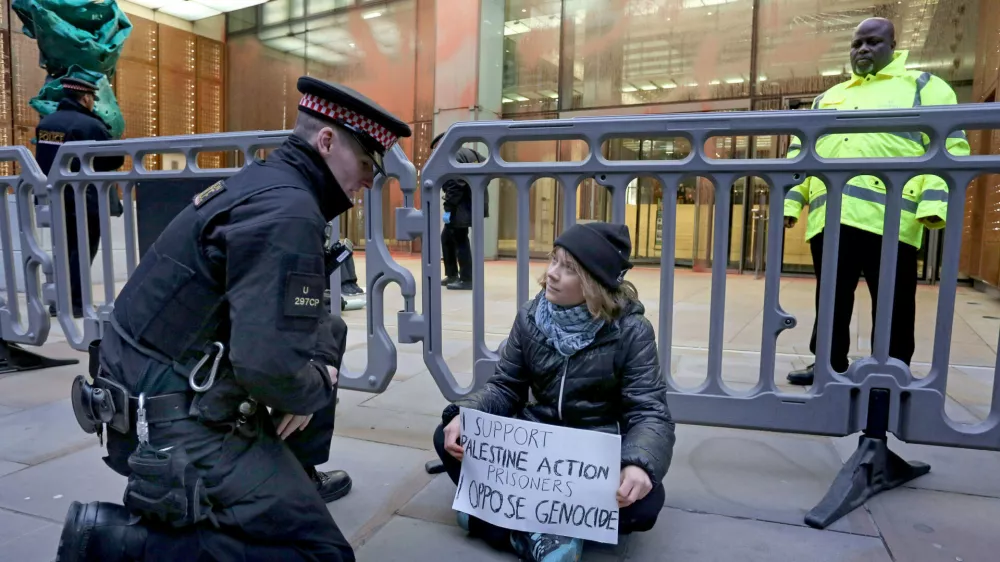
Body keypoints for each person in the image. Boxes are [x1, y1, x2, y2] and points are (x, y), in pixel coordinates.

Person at [59, 77, 411, 562]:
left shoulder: (265, 184)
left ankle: (284, 479)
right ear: (326, 142)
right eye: (368, 164)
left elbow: (289, 333)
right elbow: (268, 368)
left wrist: (305, 378)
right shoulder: (290, 212)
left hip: (147, 388)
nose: (371, 180)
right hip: (173, 422)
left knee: (326, 332)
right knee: (321, 554)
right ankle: (120, 543)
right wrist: (314, 385)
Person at [432, 222, 675, 562]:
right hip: (534, 450)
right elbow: (505, 387)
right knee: (450, 433)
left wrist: (638, 466)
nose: (552, 274)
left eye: (569, 268)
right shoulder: (531, 317)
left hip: (592, 456)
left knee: (646, 504)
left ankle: (499, 522)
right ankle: (544, 532)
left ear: (595, 283)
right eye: (553, 260)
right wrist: (465, 413)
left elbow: (649, 412)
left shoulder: (632, 332)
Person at [783, 17, 970, 386]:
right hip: (832, 217)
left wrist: (932, 205)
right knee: (831, 299)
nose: (863, 49)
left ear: (893, 46)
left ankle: (892, 367)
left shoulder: (924, 86)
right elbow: (800, 153)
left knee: (895, 302)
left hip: (892, 219)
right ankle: (827, 364)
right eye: (857, 44)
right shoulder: (828, 97)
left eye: (872, 42)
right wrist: (792, 203)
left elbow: (950, 146)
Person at [34, 76, 125, 318]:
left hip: (55, 197)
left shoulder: (47, 124)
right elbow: (114, 158)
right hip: (85, 200)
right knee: (82, 251)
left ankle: (59, 302)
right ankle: (76, 303)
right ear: (85, 98)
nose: (93, 103)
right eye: (92, 98)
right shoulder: (89, 125)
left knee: (62, 249)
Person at [430, 132, 487, 291]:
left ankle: (467, 279)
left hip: (460, 206)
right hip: (473, 202)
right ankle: (452, 274)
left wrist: (448, 208)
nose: (435, 152)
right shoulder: (471, 153)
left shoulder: (452, 155)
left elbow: (455, 184)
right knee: (447, 237)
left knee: (460, 239)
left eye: (435, 148)